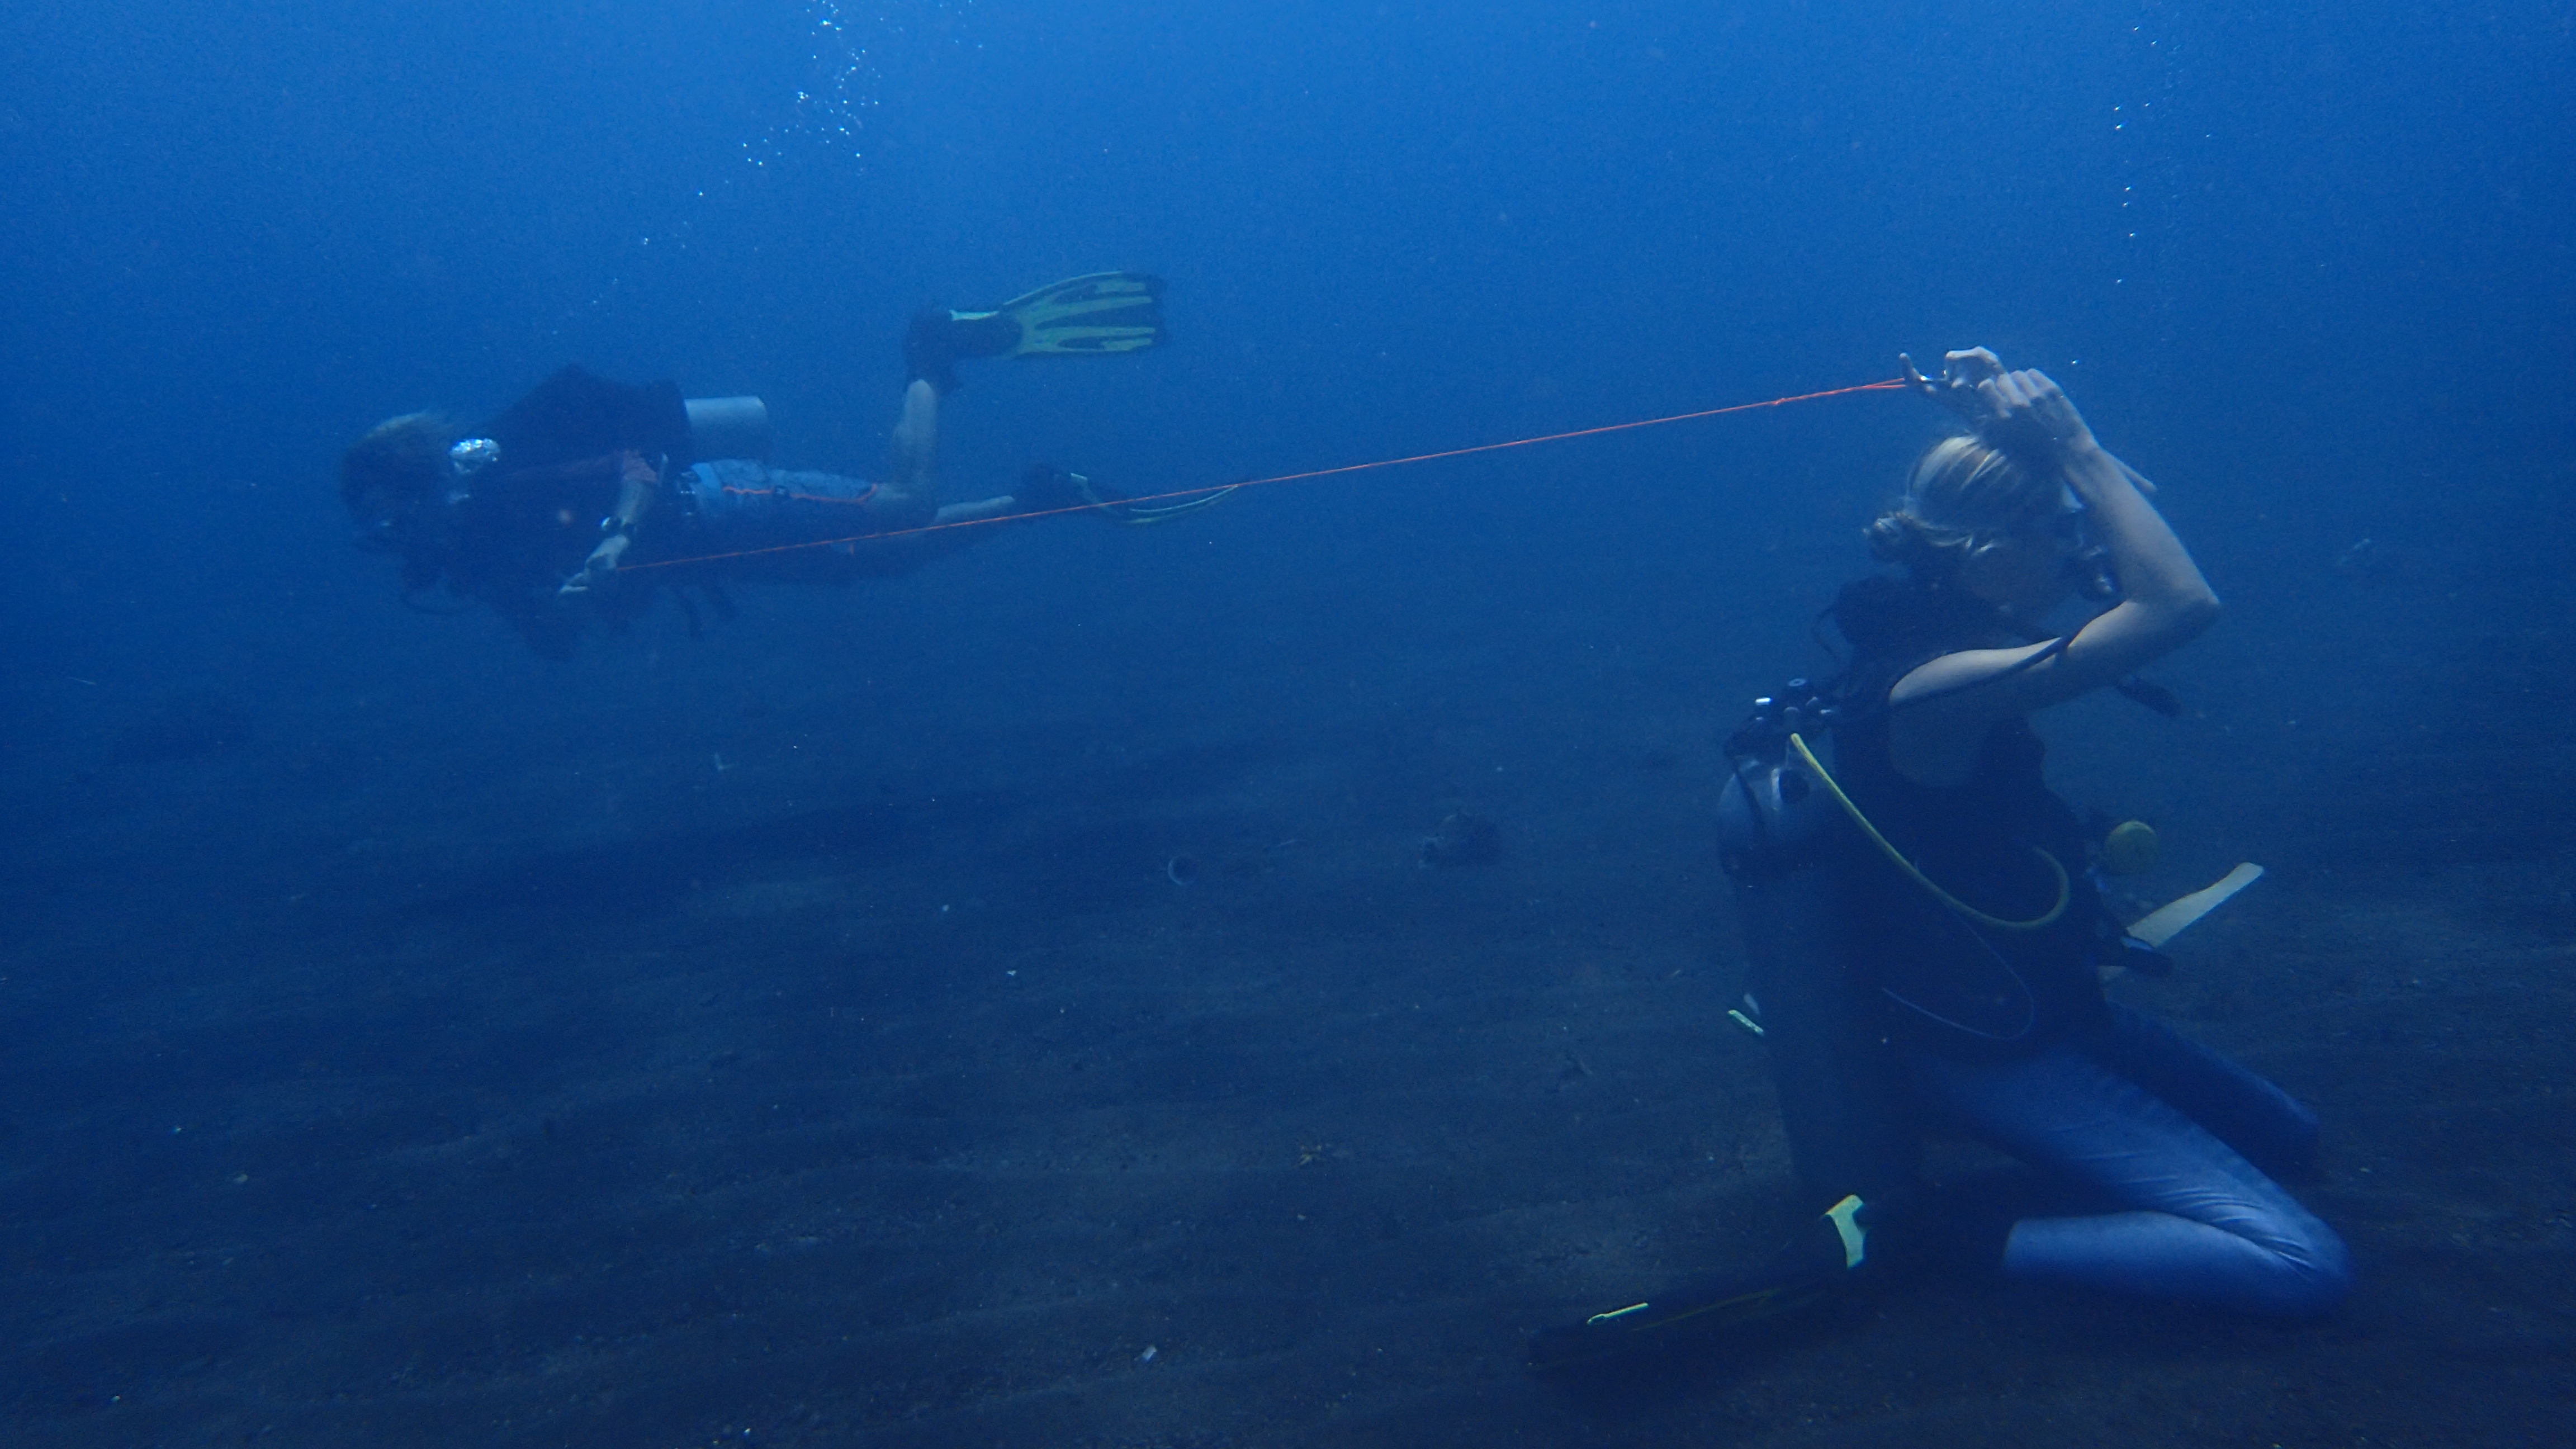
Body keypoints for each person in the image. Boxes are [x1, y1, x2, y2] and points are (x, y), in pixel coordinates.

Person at [1531, 347, 2348, 1368]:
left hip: (2044, 1008)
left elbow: (2135, 522)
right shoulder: (1935, 688)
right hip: (1989, 1049)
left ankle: (1966, 1137)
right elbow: (2179, 605)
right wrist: (2076, 448)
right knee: (2300, 1262)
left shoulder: (1951, 636)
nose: (2075, 551)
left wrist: (2033, 436)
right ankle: (1941, 1241)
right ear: (1981, 556)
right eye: (2050, 533)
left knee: (2292, 1141)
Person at [340, 272, 1224, 656]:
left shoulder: (498, 482)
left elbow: (636, 463)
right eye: (381, 525)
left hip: (715, 506)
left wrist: (612, 549)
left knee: (908, 506)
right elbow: (554, 647)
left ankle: (928, 351)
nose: (392, 534)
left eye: (391, 512)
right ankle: (1040, 498)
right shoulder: (468, 552)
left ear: (419, 485)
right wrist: (571, 610)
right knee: (894, 558)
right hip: (705, 553)